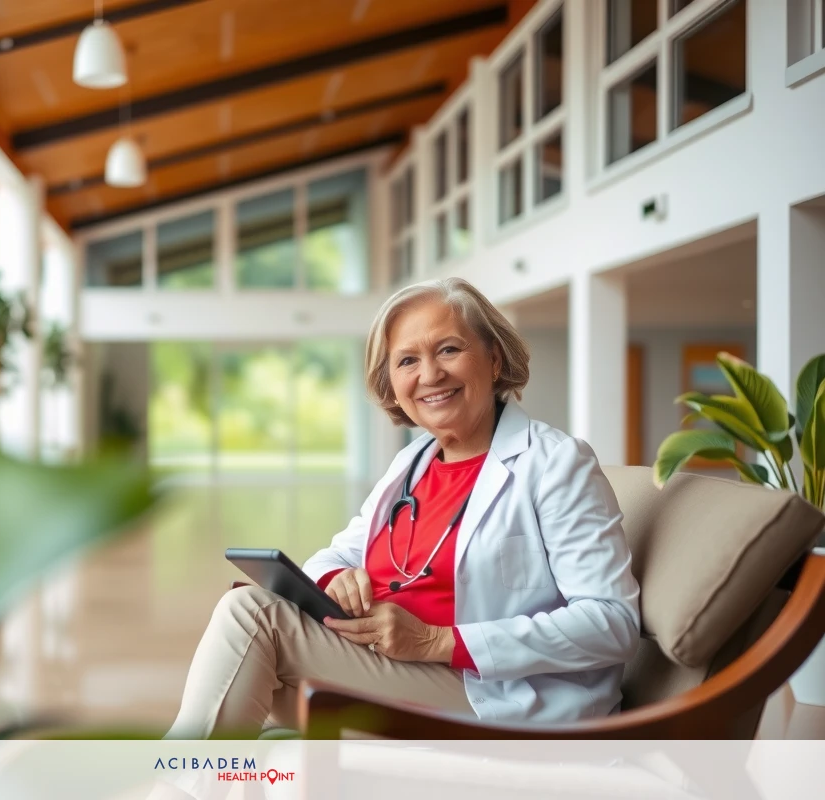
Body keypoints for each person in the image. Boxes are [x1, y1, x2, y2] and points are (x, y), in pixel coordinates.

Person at [164, 277, 641, 739]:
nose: (430, 375)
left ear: (493, 359)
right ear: (392, 383)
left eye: (449, 349)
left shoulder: (556, 464)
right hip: (399, 667)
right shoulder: (411, 464)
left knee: (251, 616)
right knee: (253, 668)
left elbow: (612, 622)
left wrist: (437, 641)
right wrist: (337, 580)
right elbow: (332, 558)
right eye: (407, 360)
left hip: (499, 697)